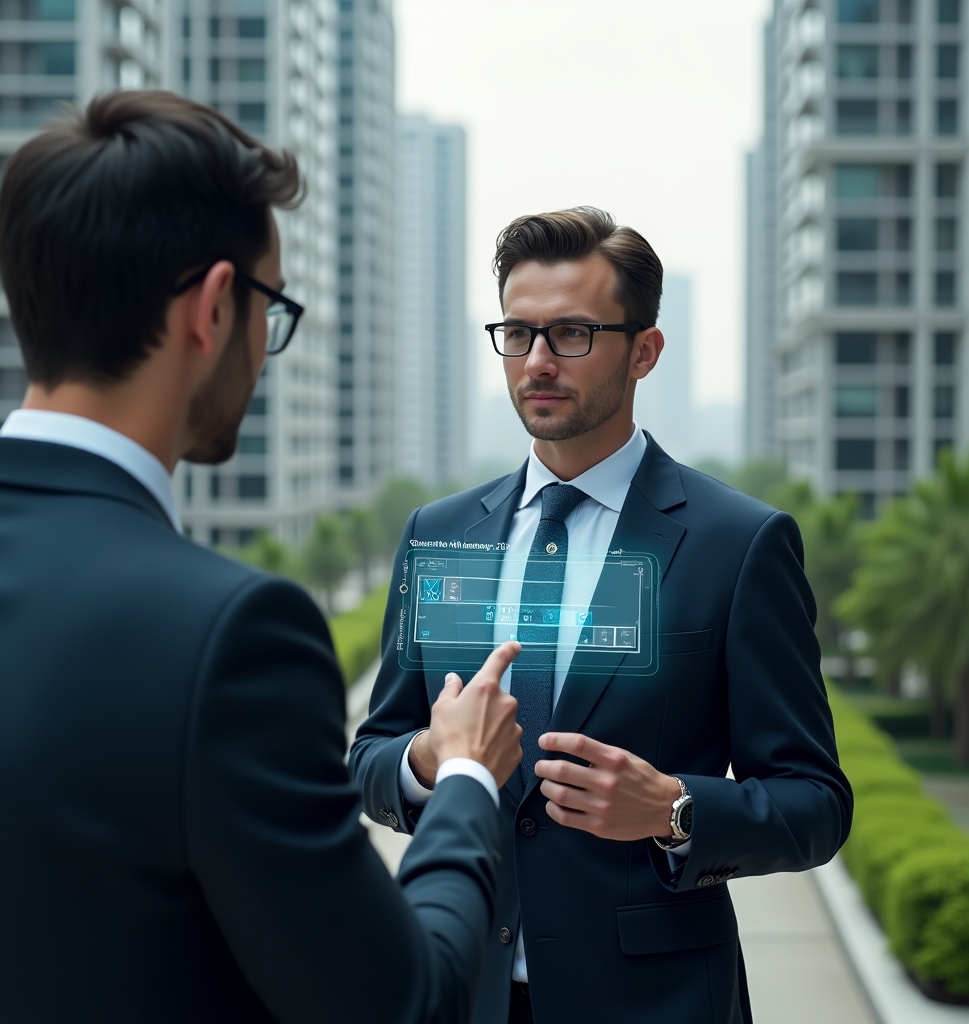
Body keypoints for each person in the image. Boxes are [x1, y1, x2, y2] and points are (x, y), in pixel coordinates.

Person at [0, 90, 526, 1024]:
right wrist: (464, 778)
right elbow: (404, 1005)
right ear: (215, 307)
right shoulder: (228, 637)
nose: (267, 347)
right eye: (272, 307)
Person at [350, 207, 854, 1024]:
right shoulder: (438, 534)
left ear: (644, 350)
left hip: (655, 1001)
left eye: (573, 334)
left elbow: (816, 803)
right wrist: (428, 761)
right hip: (461, 990)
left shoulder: (738, 543)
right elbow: (372, 752)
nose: (538, 362)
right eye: (518, 334)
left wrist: (674, 811)